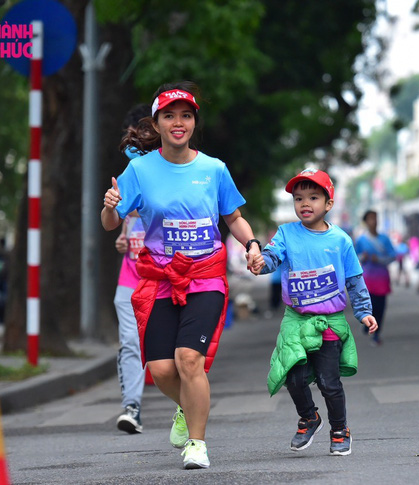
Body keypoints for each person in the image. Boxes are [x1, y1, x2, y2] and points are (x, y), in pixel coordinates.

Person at [101, 81, 261, 470]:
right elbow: (110, 223)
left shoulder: (213, 169)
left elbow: (233, 218)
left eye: (185, 116)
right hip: (159, 277)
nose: (178, 122)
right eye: (169, 116)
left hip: (205, 275)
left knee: (189, 359)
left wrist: (252, 244)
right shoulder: (139, 169)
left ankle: (197, 443)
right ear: (156, 124)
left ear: (193, 123)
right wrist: (110, 206)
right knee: (159, 370)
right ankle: (186, 407)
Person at [249, 168, 378, 456]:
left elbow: (354, 280)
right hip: (296, 321)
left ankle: (339, 429)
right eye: (298, 198)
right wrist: (260, 262)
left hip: (329, 322)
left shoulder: (341, 240)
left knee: (328, 382)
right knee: (293, 377)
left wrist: (364, 311)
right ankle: (309, 417)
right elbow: (271, 257)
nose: (305, 203)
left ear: (328, 203)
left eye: (313, 197)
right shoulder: (286, 233)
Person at [112, 104, 150, 435]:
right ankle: (131, 406)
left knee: (174, 355)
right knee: (130, 342)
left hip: (167, 281)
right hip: (130, 280)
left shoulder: (175, 175)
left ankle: (187, 406)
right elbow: (114, 222)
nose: (135, 148)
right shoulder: (125, 179)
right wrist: (123, 240)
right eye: (130, 142)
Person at [355, 210, 395, 346]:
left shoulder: (384, 239)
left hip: (382, 278)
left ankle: (377, 332)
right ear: (366, 222)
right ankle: (368, 324)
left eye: (375, 218)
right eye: (371, 219)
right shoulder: (361, 240)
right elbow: (355, 258)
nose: (374, 221)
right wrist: (363, 258)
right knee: (369, 305)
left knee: (381, 307)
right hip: (367, 279)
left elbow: (392, 256)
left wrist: (379, 259)